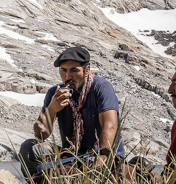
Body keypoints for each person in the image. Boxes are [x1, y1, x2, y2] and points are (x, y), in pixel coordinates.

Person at [19, 46, 123, 176]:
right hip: (71, 157)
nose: (68, 76)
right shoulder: (55, 92)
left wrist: (101, 158)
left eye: (74, 70)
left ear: (87, 70)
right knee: (29, 149)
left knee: (101, 162)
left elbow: (110, 126)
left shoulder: (101, 88)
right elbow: (40, 135)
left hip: (100, 157)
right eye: (63, 70)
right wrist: (52, 109)